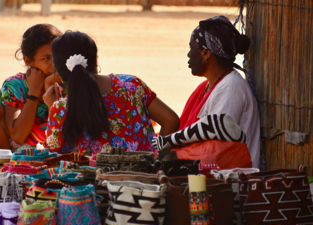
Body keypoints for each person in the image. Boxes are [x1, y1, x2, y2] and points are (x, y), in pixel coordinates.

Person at [43, 30, 180, 155]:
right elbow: (171, 120)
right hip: (144, 179)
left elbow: (51, 156)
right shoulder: (132, 84)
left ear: (60, 72)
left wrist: (53, 108)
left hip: (94, 181)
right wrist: (158, 160)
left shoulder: (61, 108)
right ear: (95, 60)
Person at [181, 15, 260, 167]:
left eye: (191, 47)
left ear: (205, 53)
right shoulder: (211, 86)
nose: (189, 54)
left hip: (233, 180)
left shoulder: (230, 89)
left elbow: (216, 151)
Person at [0, 24, 63, 151]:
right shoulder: (15, 86)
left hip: (54, 148)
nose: (54, 64)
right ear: (28, 61)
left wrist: (49, 91)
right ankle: (4, 167)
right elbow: (18, 136)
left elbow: (59, 130)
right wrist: (34, 91)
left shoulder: (66, 83)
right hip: (15, 152)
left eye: (58, 56)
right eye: (46, 58)